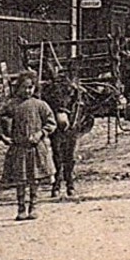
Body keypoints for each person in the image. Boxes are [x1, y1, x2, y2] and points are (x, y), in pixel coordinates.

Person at [0, 71, 56, 221]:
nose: (28, 91)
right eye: (24, 87)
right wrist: (3, 137)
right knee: (20, 180)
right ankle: (21, 207)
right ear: (18, 87)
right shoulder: (11, 105)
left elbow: (51, 123)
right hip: (18, 148)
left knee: (34, 178)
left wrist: (40, 133)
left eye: (31, 87)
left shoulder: (40, 105)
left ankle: (33, 206)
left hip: (35, 148)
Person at [44, 71, 90, 199]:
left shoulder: (74, 94)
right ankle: (57, 183)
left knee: (70, 154)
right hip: (56, 122)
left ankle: (70, 183)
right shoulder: (51, 92)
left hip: (71, 120)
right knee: (57, 153)